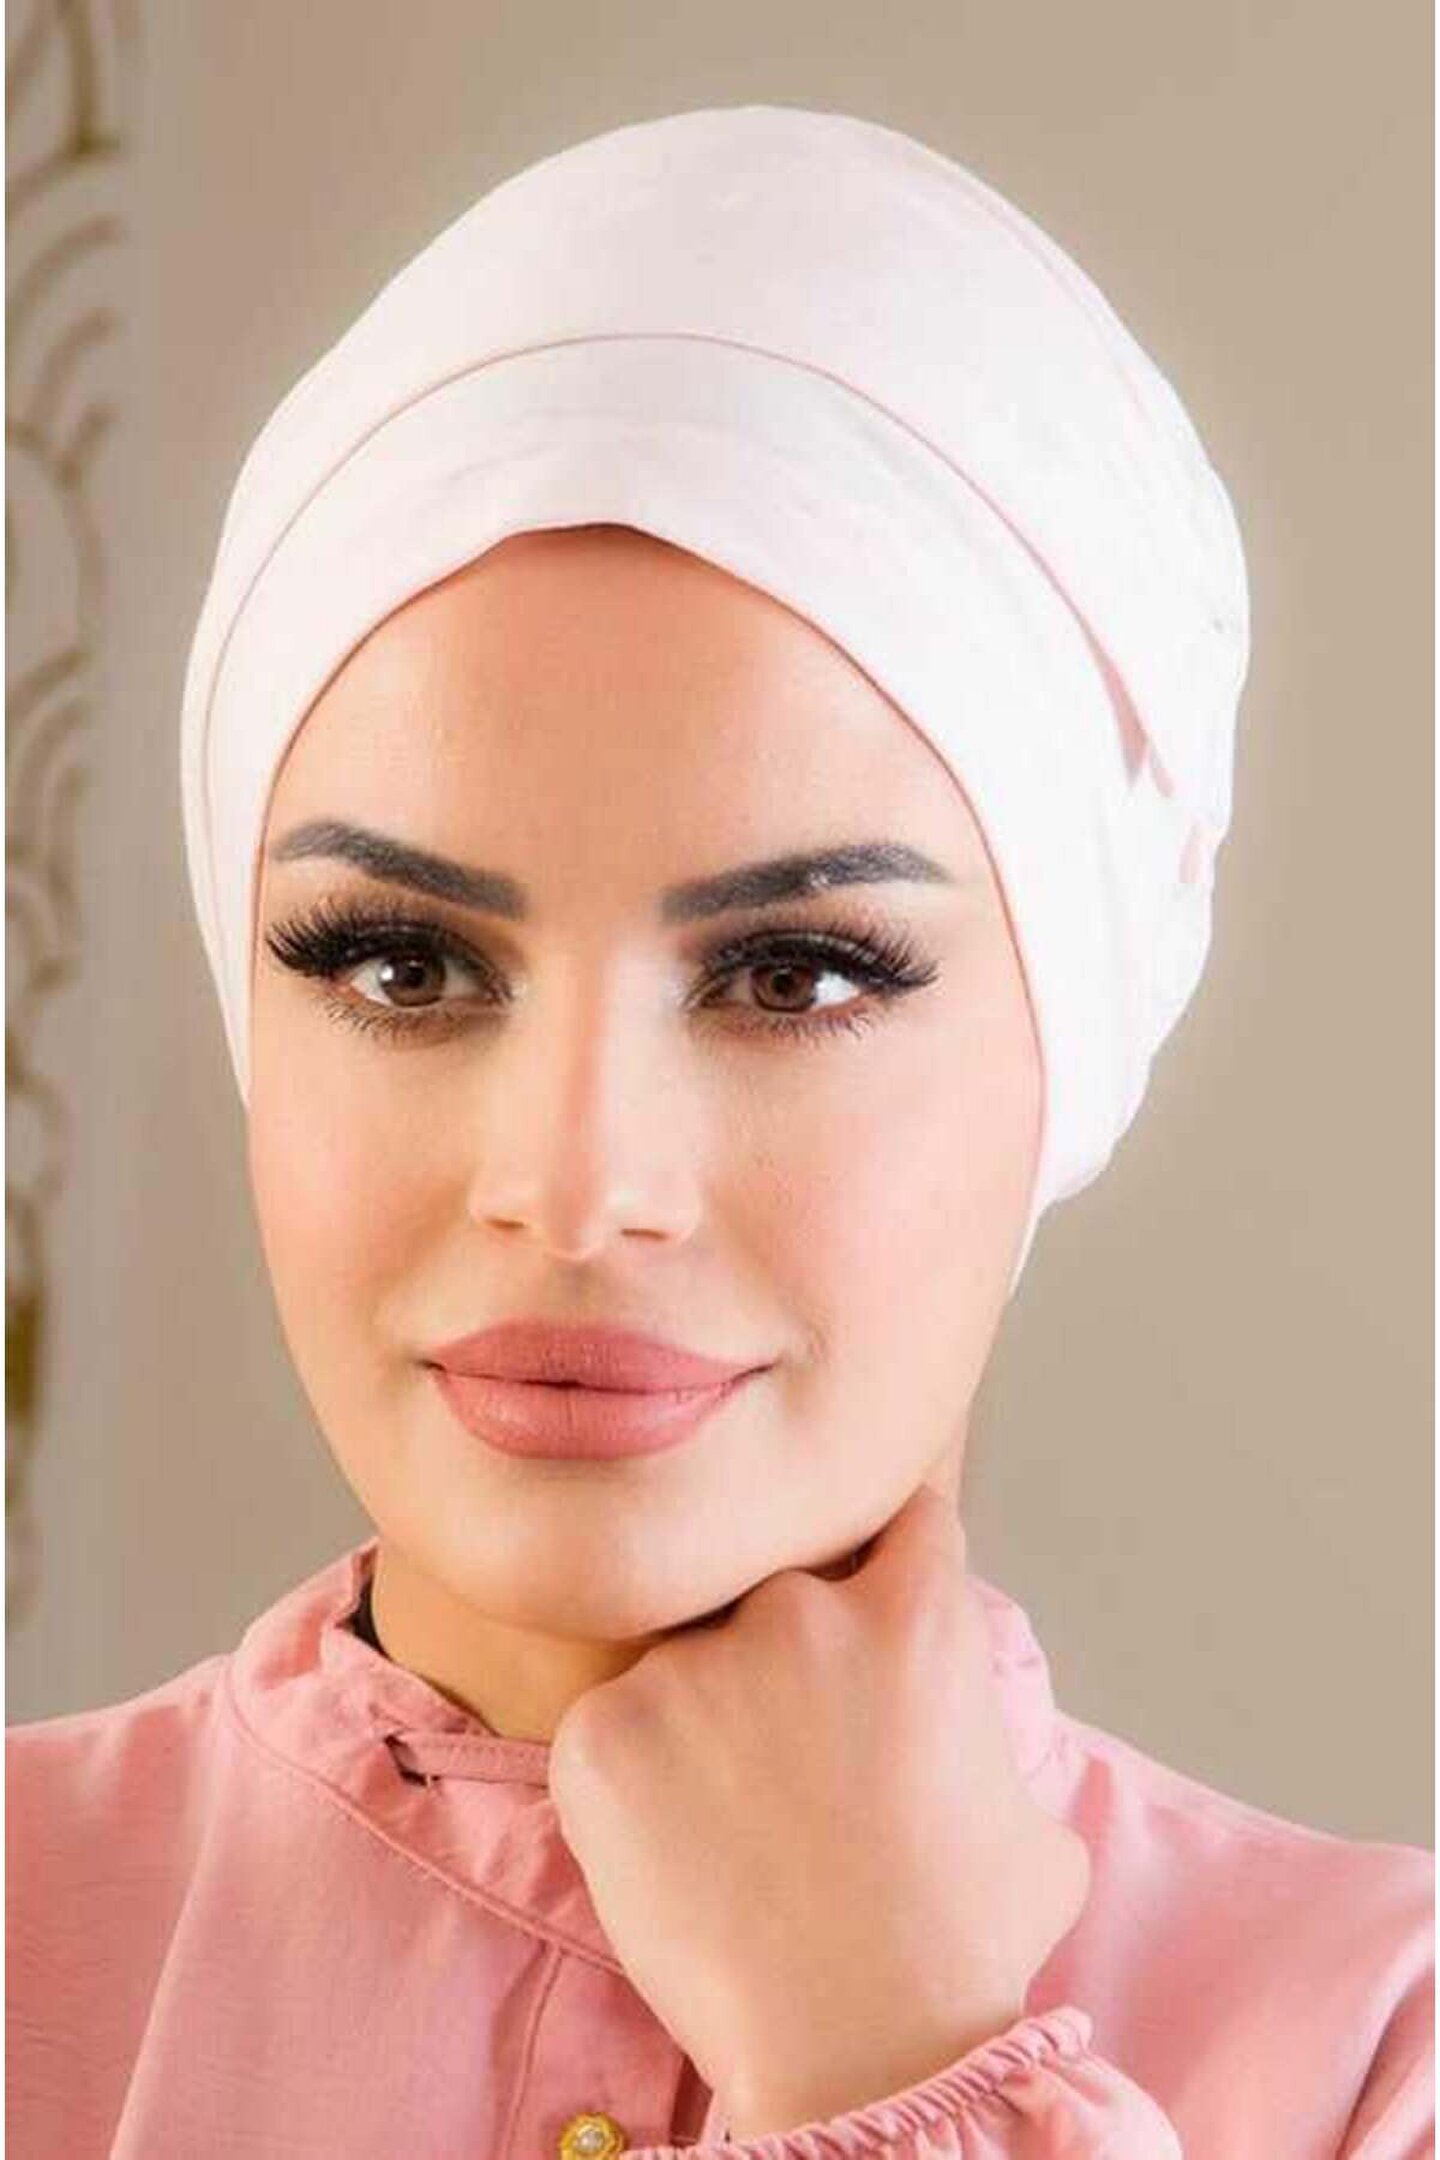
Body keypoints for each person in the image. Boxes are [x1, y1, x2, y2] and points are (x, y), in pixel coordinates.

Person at [7, 105, 1431, 2158]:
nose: (576, 1186)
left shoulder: (1378, 2054)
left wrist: (902, 2058)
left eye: (795, 977)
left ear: (1083, 1033)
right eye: (402, 963)